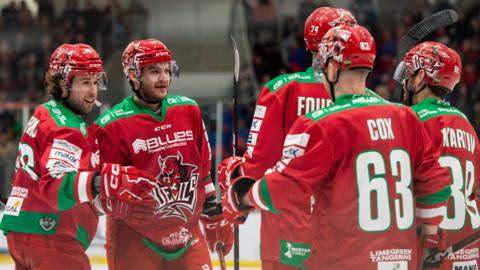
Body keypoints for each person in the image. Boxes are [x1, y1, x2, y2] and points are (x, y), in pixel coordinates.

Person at [222, 25, 452, 269]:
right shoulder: (407, 118)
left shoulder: (321, 124)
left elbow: (286, 188)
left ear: (332, 68)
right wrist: (428, 237)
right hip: (400, 260)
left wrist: (242, 196)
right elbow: (436, 184)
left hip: (344, 259)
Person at [218, 7, 373, 270]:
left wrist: (236, 177)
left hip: (288, 234)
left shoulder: (283, 89)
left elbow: (257, 165)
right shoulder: (374, 102)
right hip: (352, 234)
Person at [0, 43, 155, 270]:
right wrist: (101, 182)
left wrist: (108, 196)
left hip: (23, 233)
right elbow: (55, 185)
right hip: (52, 238)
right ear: (63, 85)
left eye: (95, 82)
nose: (93, 91)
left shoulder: (45, 112)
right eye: (85, 82)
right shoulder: (68, 127)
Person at [91, 39, 232, 270]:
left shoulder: (188, 110)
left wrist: (214, 215)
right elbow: (95, 192)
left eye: (167, 70)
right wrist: (114, 206)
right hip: (134, 240)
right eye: (154, 71)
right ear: (134, 75)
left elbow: (203, 173)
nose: (164, 78)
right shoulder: (110, 126)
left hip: (188, 235)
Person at [401, 41, 480, 269]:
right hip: (468, 248)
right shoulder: (467, 124)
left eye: (409, 73)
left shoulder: (409, 120)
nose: (405, 81)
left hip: (429, 249)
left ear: (420, 77)